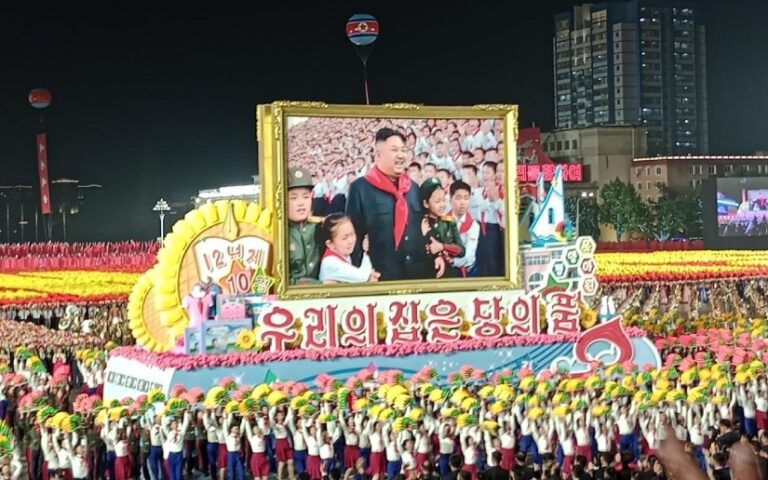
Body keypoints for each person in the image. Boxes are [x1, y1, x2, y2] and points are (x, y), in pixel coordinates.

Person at [346, 128, 444, 281]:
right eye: (394, 150)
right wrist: (363, 273)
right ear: (377, 155)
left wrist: (436, 255)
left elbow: (424, 225)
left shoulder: (413, 188)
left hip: (417, 274)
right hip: (382, 277)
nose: (401, 155)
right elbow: (353, 236)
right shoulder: (360, 188)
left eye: (403, 150)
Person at [419, 178, 465, 278]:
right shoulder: (422, 223)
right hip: (428, 274)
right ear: (426, 203)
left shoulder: (449, 221)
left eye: (444, 200)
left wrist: (443, 247)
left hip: (449, 274)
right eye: (437, 201)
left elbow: (461, 250)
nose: (442, 205)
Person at [318, 214, 380, 284]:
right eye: (345, 238)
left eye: (352, 234)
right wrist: (366, 255)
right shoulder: (330, 262)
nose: (350, 241)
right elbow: (362, 277)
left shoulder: (344, 255)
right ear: (330, 244)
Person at [288, 167, 324, 285]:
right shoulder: (278, 232)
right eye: (293, 198)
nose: (301, 203)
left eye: (306, 196)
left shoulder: (321, 227)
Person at [472, 161, 505, 277]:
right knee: (482, 259)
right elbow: (480, 207)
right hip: (482, 228)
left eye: (502, 171)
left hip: (495, 229)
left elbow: (502, 210)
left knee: (493, 261)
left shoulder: (504, 191)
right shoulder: (482, 191)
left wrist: (494, 201)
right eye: (498, 171)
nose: (499, 175)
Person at [449, 181, 479, 278]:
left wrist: (453, 261)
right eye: (458, 198)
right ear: (450, 199)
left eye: (466, 198)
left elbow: (469, 256)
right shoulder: (443, 220)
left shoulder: (473, 225)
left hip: (467, 272)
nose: (462, 202)